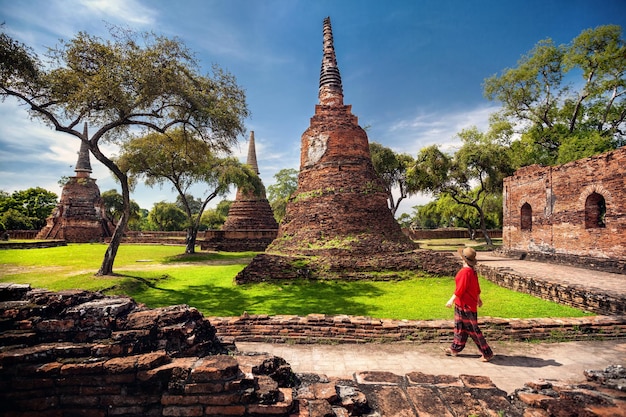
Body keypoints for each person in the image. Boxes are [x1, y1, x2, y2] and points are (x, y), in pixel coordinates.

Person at [444, 247, 494, 362]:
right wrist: (478, 299)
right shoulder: (471, 271)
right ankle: (455, 349)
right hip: (465, 304)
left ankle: (487, 353)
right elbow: (476, 288)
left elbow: (460, 289)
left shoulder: (465, 272)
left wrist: (450, 300)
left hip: (465, 306)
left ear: (464, 259)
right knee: (460, 328)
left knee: (473, 330)